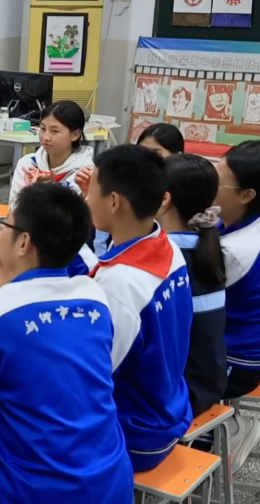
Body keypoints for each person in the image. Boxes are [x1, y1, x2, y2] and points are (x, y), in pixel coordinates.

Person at [0, 183, 133, 503]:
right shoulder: (94, 296)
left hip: (32, 489)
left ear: (23, 242)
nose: (0, 232)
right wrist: (7, 265)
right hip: (109, 480)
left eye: (5, 225)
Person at [87, 145, 193, 472]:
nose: (87, 200)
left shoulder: (120, 285)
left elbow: (94, 374)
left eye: (90, 191)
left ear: (114, 201)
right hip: (169, 407)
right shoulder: (167, 246)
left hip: (135, 433)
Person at [157, 154, 227, 420]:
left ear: (164, 199)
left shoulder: (167, 256)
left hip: (182, 392)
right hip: (207, 382)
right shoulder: (205, 243)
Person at [214, 141, 260, 465]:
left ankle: (232, 429)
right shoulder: (238, 220)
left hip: (237, 361)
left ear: (246, 195)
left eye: (218, 183)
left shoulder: (235, 251)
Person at [9, 101, 94, 207]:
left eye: (54, 131)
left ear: (75, 135)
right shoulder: (27, 164)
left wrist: (39, 190)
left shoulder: (85, 174)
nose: (45, 137)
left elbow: (79, 215)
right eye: (43, 129)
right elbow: (14, 209)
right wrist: (32, 186)